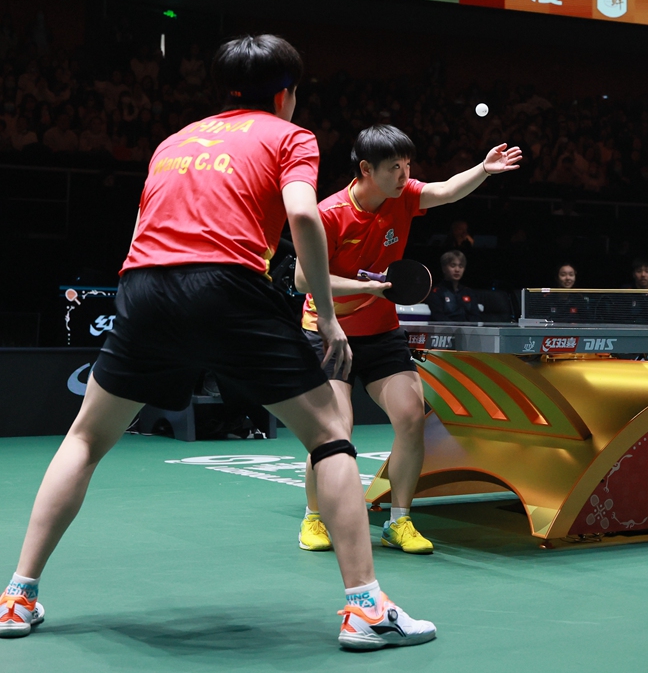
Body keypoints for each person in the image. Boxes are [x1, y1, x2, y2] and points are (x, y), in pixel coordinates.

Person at [0, 35, 435, 650]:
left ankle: (18, 595)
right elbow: (305, 216)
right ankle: (365, 607)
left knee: (85, 438)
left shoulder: (175, 140)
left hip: (143, 284)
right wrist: (330, 317)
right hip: (228, 283)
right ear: (285, 94)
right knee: (330, 437)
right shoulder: (291, 136)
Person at [294, 125, 520, 553]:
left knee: (412, 418)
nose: (405, 175)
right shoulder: (329, 214)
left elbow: (448, 191)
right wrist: (368, 288)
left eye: (408, 165)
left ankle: (399, 521)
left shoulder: (403, 197)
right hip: (328, 332)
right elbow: (304, 278)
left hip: (381, 333)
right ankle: (314, 517)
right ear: (365, 169)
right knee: (333, 430)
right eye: (395, 168)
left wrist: (483, 170)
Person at [428, 250, 481, 321]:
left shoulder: (468, 292)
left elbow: (475, 317)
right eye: (453, 266)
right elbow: (438, 317)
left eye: (461, 266)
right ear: (444, 268)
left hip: (468, 331)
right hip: (445, 331)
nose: (457, 270)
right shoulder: (436, 292)